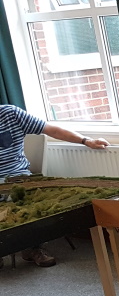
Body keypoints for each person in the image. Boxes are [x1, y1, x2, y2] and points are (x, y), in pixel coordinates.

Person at [0, 103, 109, 267]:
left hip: (19, 178)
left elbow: (53, 130)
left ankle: (32, 248)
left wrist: (86, 141)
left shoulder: (11, 114)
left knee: (37, 201)